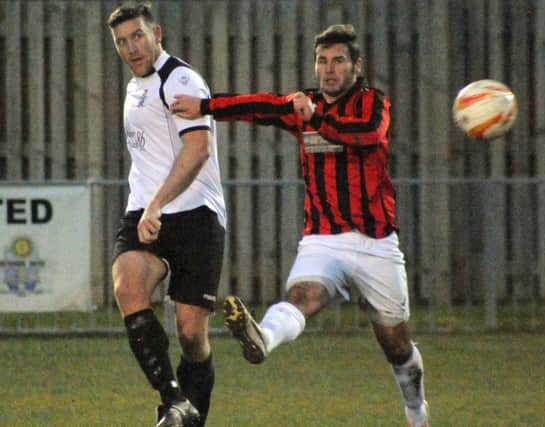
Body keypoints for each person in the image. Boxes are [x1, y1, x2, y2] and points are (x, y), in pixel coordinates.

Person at [171, 24, 428, 427]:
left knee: (396, 345)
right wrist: (205, 106)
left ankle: (416, 411)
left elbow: (365, 136)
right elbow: (256, 105)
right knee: (302, 295)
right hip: (322, 240)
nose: (329, 69)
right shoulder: (303, 104)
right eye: (322, 61)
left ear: (356, 67)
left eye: (338, 61)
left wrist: (318, 117)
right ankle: (263, 338)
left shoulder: (372, 103)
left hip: (376, 243)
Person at [107, 3, 226, 427]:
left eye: (137, 36)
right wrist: (148, 204)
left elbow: (198, 150)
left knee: (192, 335)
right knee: (127, 284)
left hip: (195, 214)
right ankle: (174, 400)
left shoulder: (180, 80)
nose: (130, 47)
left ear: (156, 32)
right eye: (121, 41)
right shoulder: (134, 87)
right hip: (144, 212)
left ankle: (191, 414)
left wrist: (158, 202)